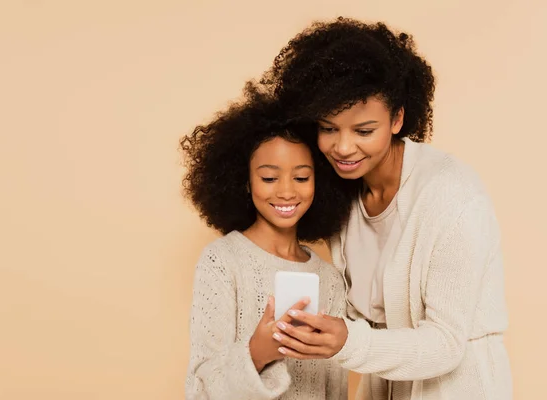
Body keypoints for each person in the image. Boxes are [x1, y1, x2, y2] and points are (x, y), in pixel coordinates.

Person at [261, 18, 512, 399]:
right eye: (328, 128)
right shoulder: (342, 195)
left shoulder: (454, 198)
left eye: (363, 131)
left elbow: (446, 344)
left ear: (397, 119)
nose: (343, 148)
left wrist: (346, 341)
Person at [181, 87, 354, 399]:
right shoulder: (222, 262)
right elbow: (200, 389)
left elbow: (335, 389)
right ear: (246, 182)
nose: (286, 192)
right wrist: (257, 353)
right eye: (269, 178)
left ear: (320, 181)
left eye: (301, 178)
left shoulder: (331, 280)